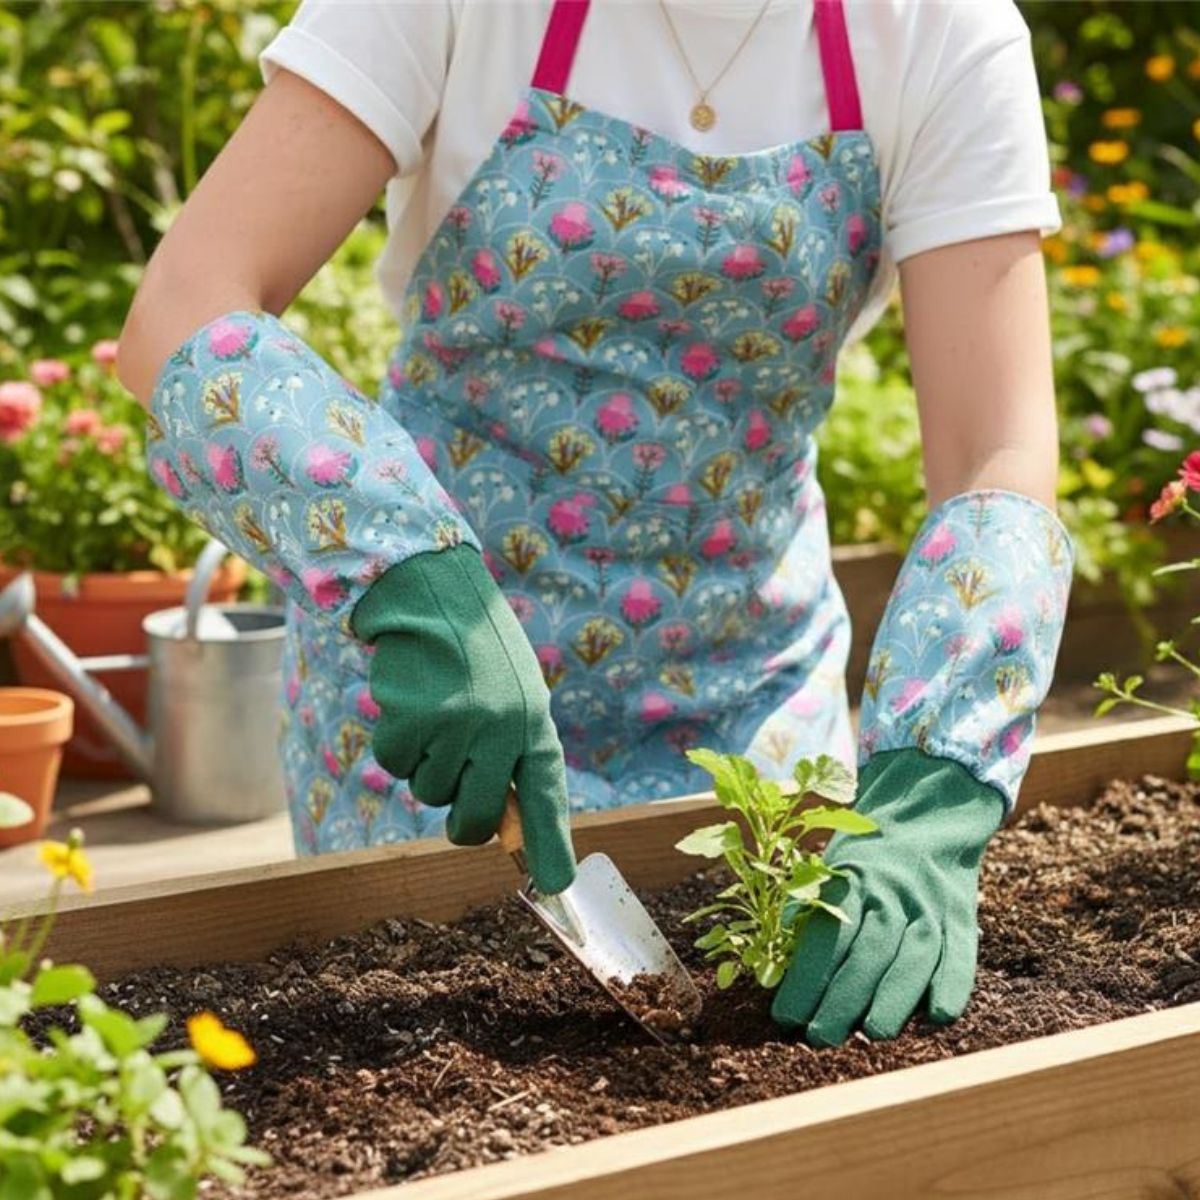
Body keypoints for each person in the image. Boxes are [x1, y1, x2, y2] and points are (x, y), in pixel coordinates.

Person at [117, 0, 1073, 1047]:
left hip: (747, 710)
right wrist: (406, 573)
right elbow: (187, 303)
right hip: (437, 687)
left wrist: (937, 772)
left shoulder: (942, 29)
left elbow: (996, 447)